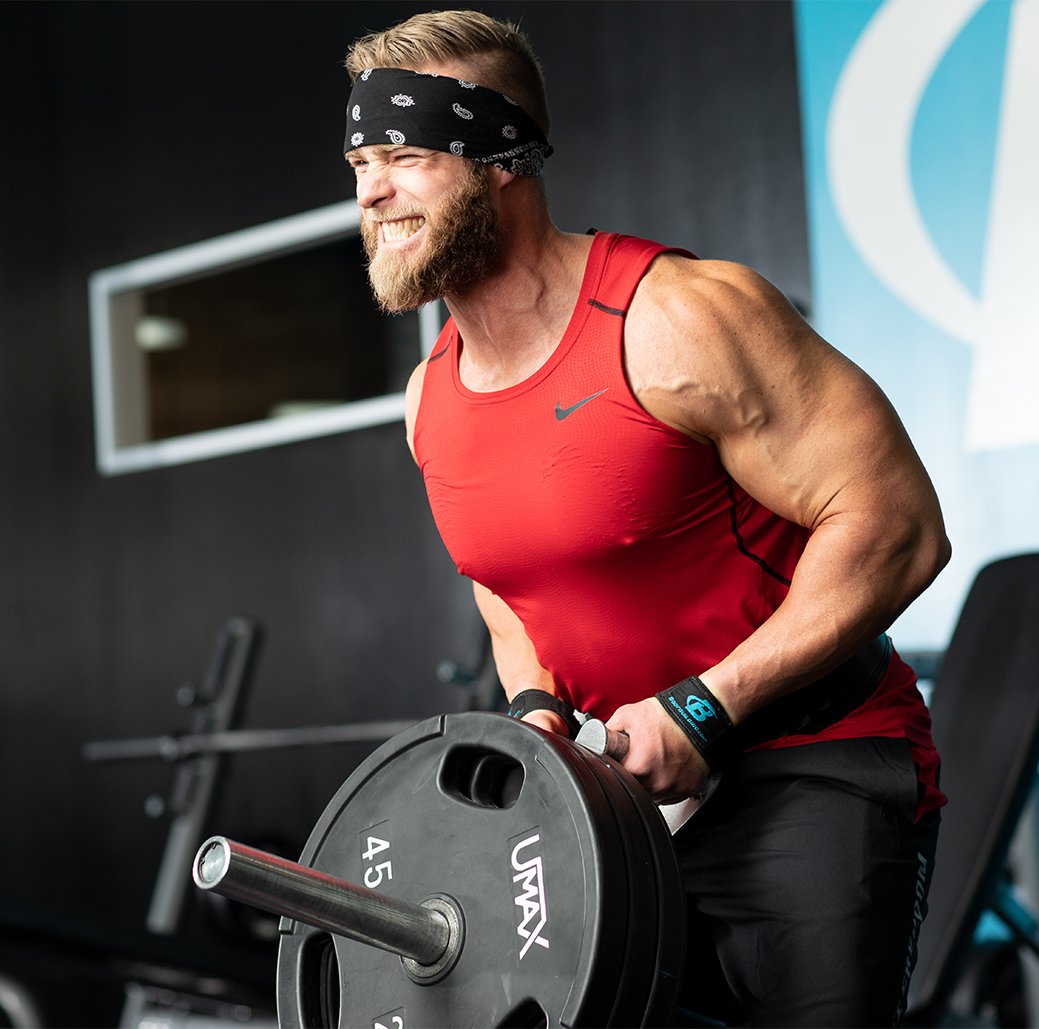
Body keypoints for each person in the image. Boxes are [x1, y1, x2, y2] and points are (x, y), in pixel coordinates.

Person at [341, 10, 951, 1026]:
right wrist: (537, 709)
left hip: (815, 764)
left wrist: (707, 704)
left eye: (405, 155)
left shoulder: (678, 319)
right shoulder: (430, 402)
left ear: (501, 157)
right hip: (622, 812)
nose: (371, 190)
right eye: (361, 160)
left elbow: (896, 525)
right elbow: (506, 588)